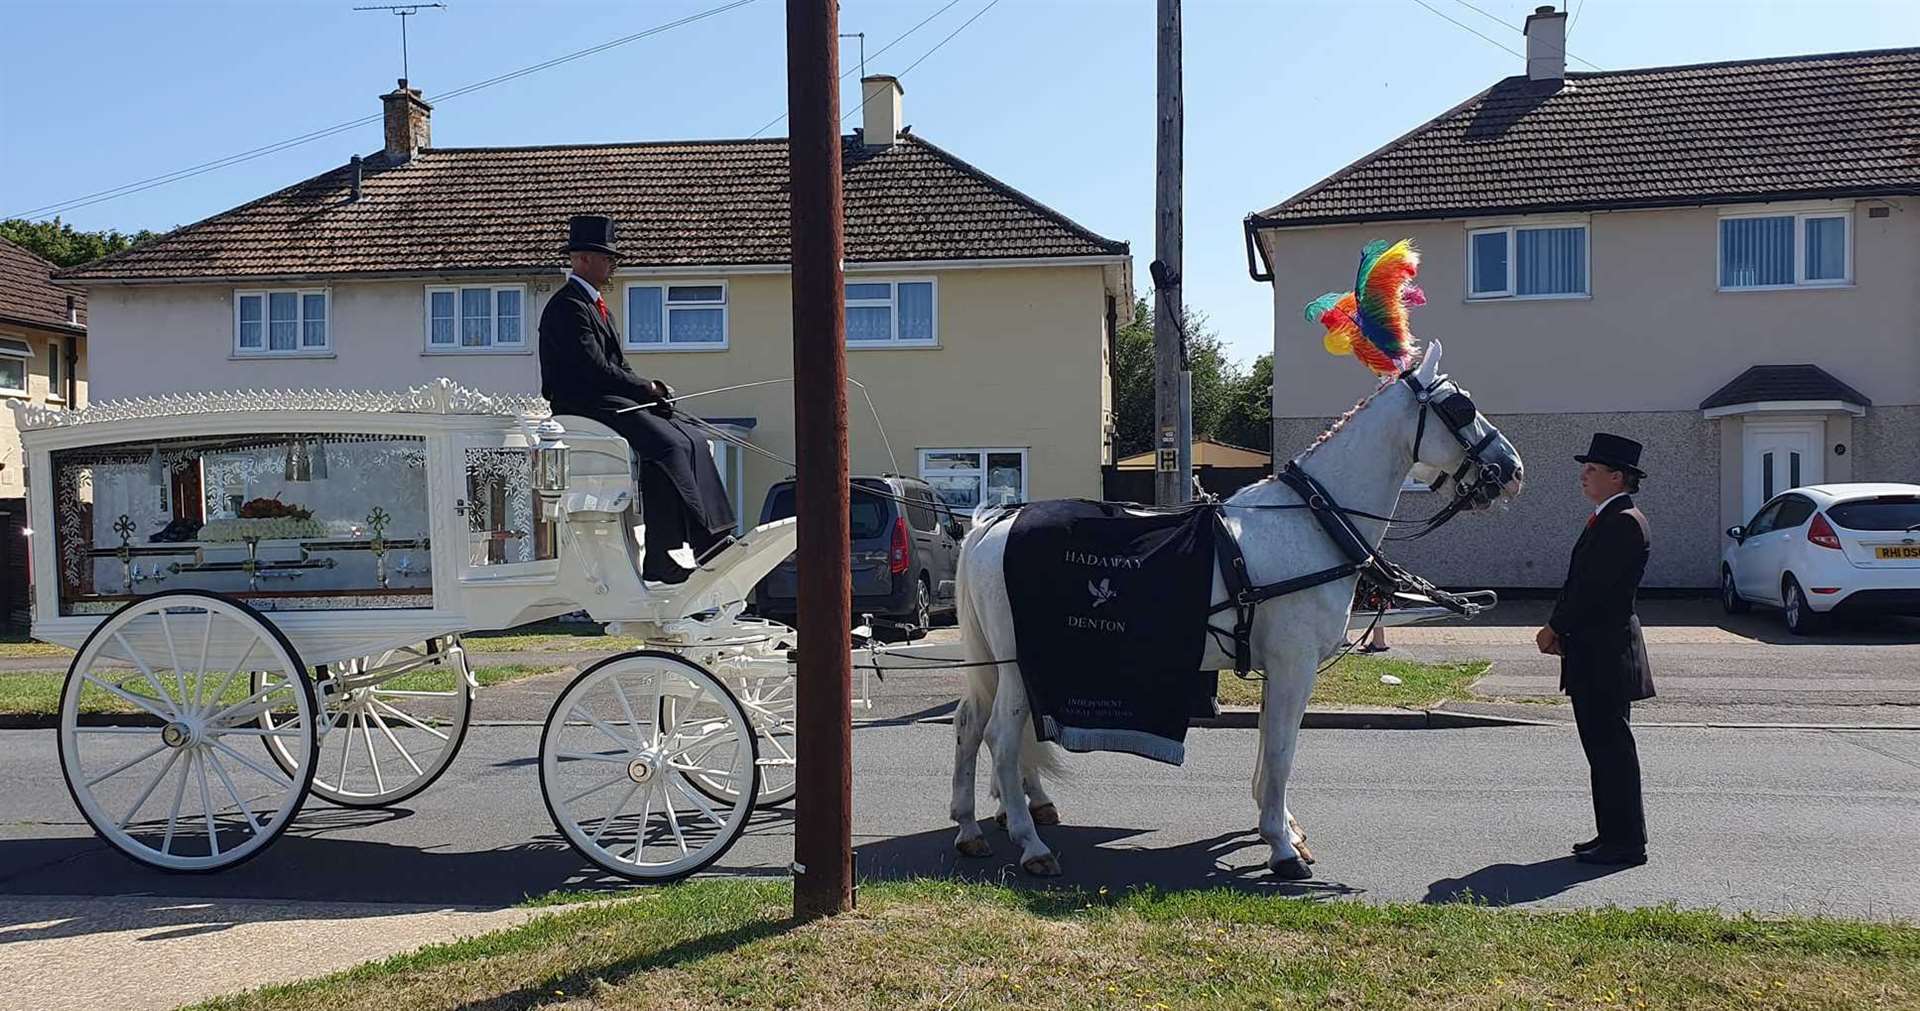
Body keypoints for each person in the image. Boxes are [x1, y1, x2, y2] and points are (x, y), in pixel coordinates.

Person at [538, 214, 736, 584]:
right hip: (583, 404)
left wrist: (652, 392)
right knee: (666, 445)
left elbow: (618, 365)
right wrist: (643, 388)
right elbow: (592, 368)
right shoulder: (567, 307)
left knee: (690, 436)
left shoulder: (599, 309)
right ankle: (686, 546)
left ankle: (715, 532)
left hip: (609, 398)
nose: (613, 264)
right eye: (607, 257)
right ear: (581, 259)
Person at [1535, 433, 1657, 867]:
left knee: (1611, 750)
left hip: (1606, 653)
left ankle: (1625, 843)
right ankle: (1613, 835)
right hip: (1595, 651)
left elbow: (1593, 590)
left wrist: (1555, 627)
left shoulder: (1623, 521)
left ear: (1617, 477)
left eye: (1592, 469)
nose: (1583, 476)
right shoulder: (1608, 517)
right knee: (1603, 749)